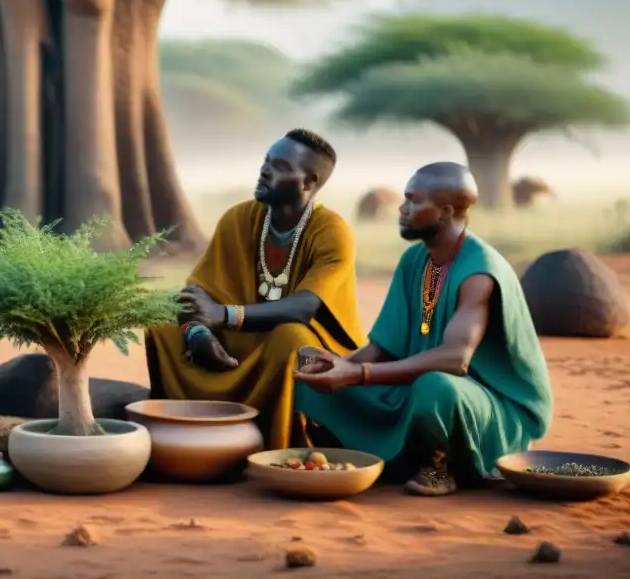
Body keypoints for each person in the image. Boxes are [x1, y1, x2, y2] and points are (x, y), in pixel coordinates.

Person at [295, 162, 553, 496]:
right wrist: (340, 366)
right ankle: (375, 459)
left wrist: (358, 374)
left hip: (488, 406)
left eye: (414, 201)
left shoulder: (480, 271)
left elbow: (454, 360)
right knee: (307, 366)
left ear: (446, 211)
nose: (401, 209)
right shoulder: (414, 260)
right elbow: (384, 345)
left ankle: (437, 469)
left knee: (435, 387)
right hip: (415, 386)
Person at [144, 129, 364, 449]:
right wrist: (198, 333)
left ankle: (283, 445)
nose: (265, 170)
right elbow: (198, 291)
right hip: (241, 344)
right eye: (266, 161)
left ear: (308, 182)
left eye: (280, 166)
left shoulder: (332, 231)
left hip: (307, 346)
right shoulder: (238, 219)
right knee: (163, 319)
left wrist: (225, 315)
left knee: (291, 339)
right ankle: (174, 430)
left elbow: (304, 308)